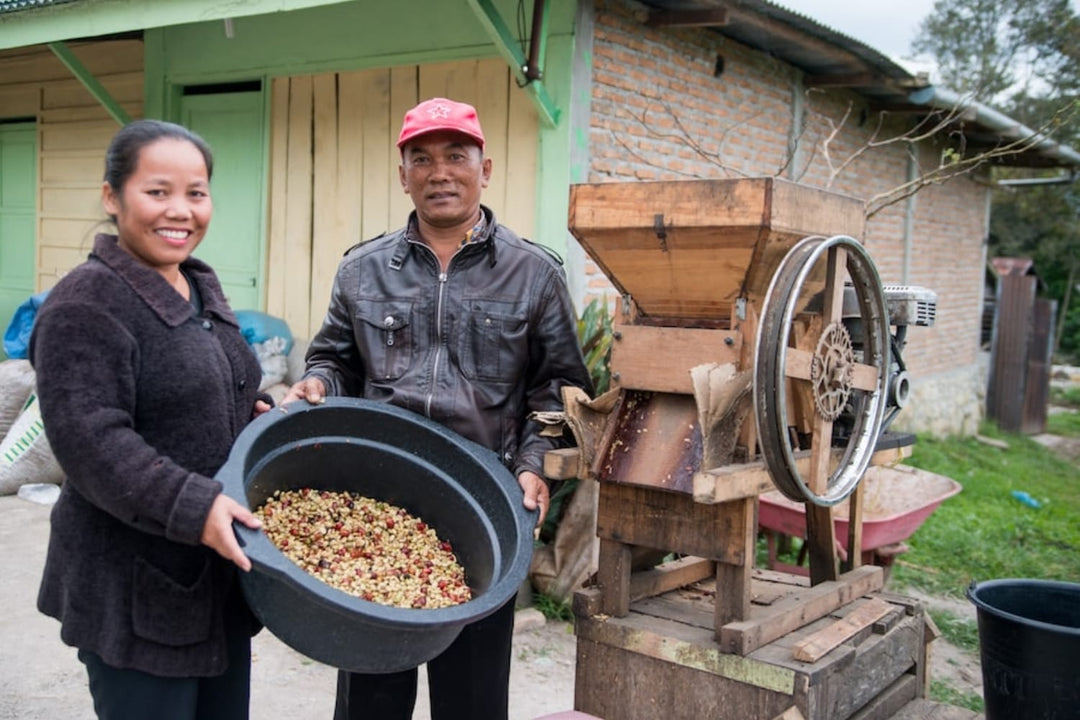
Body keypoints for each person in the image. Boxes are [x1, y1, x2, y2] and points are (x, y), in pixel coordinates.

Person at [283, 97, 592, 720]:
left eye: (457, 155)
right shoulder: (362, 270)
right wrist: (317, 384)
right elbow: (335, 361)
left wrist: (533, 465)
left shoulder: (534, 275)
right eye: (421, 158)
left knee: (472, 695)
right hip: (378, 500)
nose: (439, 171)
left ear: (486, 169)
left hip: (484, 501)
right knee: (371, 687)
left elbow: (559, 393)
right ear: (404, 175)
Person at [29, 119, 271, 720]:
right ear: (113, 197)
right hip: (132, 583)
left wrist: (257, 420)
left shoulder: (195, 286)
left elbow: (203, 392)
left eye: (196, 193)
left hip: (213, 579)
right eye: (157, 191)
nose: (180, 211)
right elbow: (92, 441)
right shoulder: (87, 302)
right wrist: (197, 506)